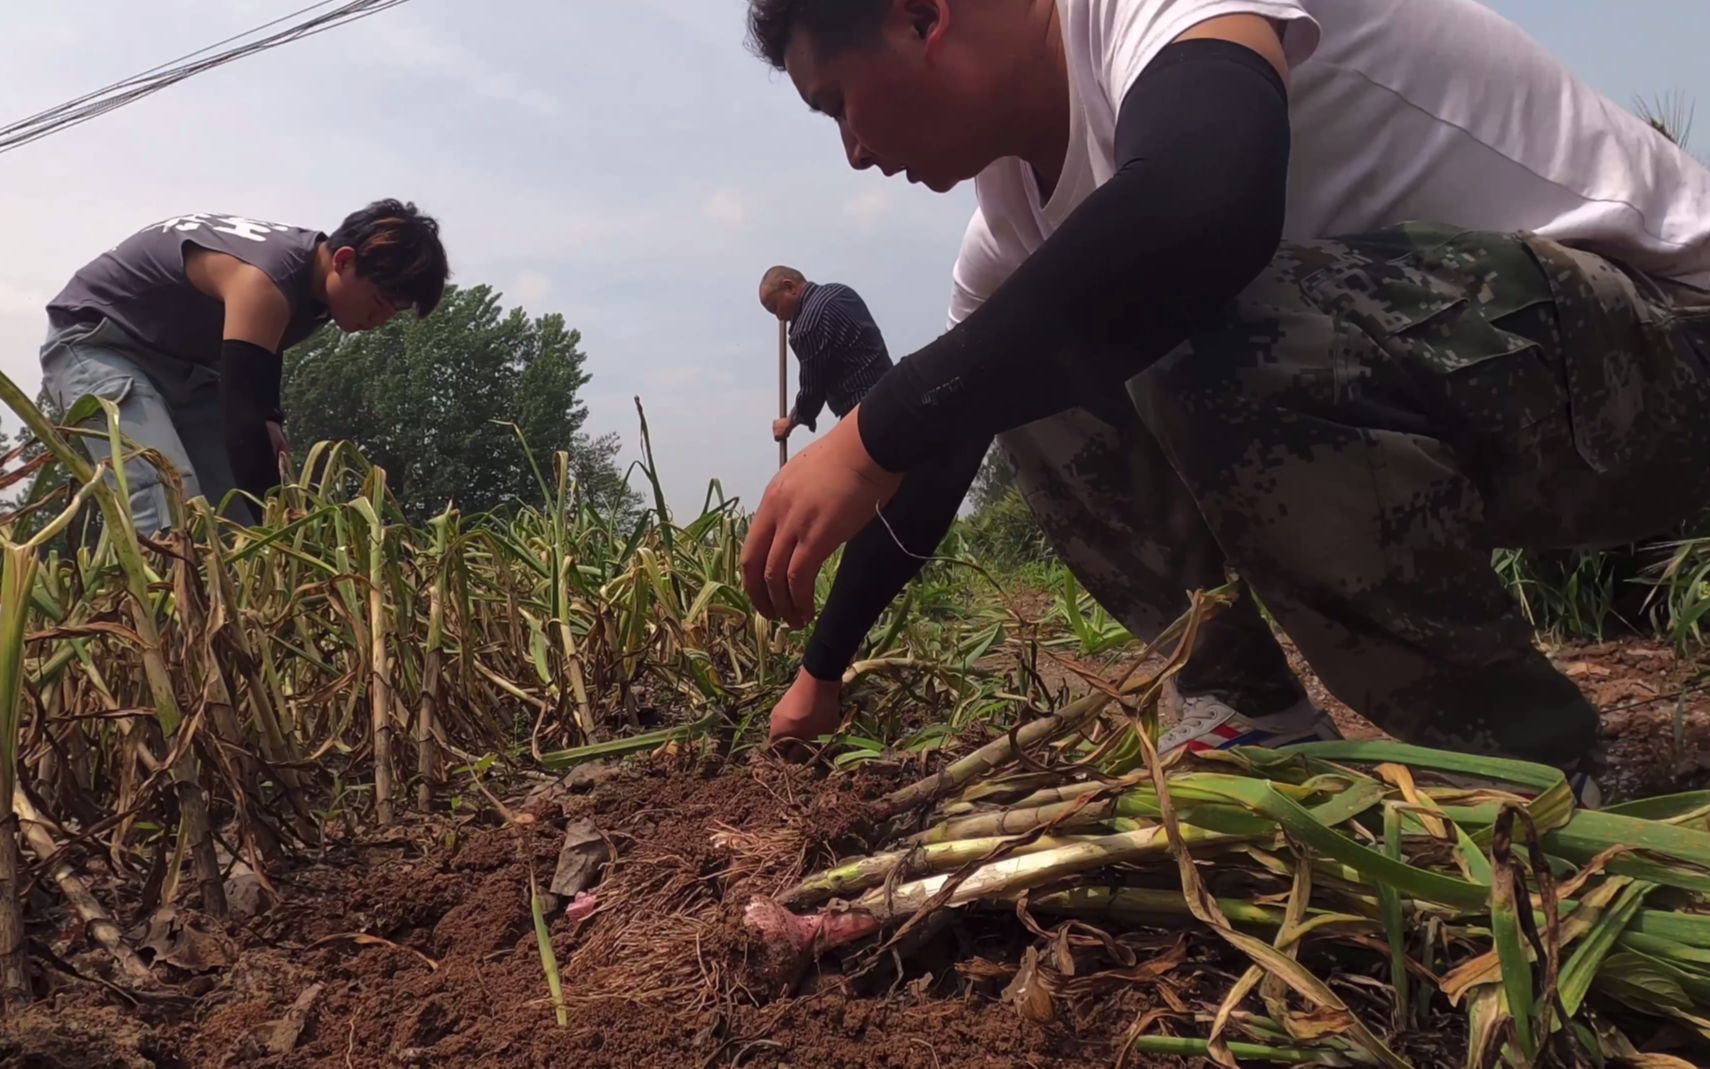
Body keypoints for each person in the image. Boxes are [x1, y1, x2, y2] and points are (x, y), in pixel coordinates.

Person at [739, 0, 1710, 803]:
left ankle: (1524, 768)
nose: (853, 152)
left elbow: (1208, 203)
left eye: (838, 106)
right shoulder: (1010, 227)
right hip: (1526, 402)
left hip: (1670, 347)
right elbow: (941, 443)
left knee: (1161, 311)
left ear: (921, 16)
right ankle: (1254, 718)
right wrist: (822, 670)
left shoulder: (1146, 14)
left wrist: (876, 424)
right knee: (1008, 367)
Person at [41, 201, 450, 533]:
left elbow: (259, 368)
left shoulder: (314, 284)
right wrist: (282, 529)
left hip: (184, 367)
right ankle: (163, 610)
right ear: (344, 261)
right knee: (165, 496)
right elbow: (241, 418)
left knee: (235, 517)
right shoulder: (265, 279)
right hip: (98, 342)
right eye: (379, 302)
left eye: (394, 312)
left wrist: (270, 418)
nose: (380, 320)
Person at [759, 265, 987, 744]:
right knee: (900, 512)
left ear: (791, 287)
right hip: (889, 399)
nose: (780, 321)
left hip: (869, 422)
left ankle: (832, 652)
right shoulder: (840, 294)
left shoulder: (807, 322)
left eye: (776, 309)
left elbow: (813, 385)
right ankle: (884, 607)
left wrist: (792, 422)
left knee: (876, 522)